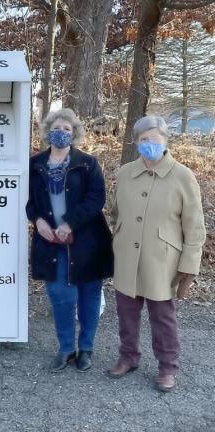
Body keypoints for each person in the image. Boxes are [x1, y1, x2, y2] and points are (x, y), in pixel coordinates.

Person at [107, 115, 206, 392]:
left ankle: (167, 367)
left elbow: (195, 227)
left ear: (165, 141)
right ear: (136, 142)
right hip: (127, 257)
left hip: (162, 260)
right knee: (126, 312)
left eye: (156, 139)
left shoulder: (183, 176)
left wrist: (189, 265)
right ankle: (128, 357)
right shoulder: (125, 172)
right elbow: (117, 214)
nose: (150, 143)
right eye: (144, 139)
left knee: (162, 317)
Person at [26, 108, 113, 373]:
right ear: (47, 131)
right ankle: (66, 349)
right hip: (51, 242)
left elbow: (97, 199)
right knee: (60, 295)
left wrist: (69, 222)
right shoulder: (35, 164)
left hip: (86, 242)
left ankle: (86, 349)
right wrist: (38, 221)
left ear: (74, 134)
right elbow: (28, 201)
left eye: (67, 129)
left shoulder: (88, 163)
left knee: (89, 294)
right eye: (57, 128)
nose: (61, 132)